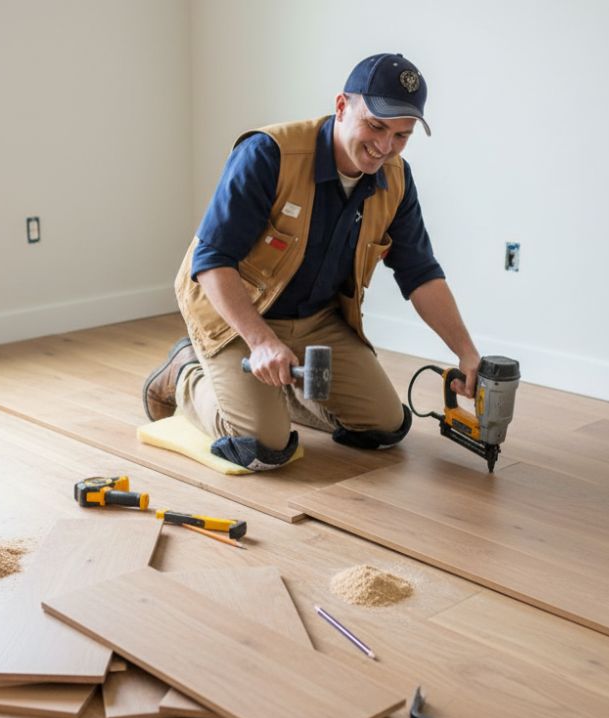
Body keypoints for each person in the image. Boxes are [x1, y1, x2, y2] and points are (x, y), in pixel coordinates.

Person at [143, 52, 481, 471]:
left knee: (385, 428)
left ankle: (271, 390)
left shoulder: (396, 180)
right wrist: (262, 341)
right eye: (375, 125)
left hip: (316, 320)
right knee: (264, 449)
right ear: (341, 106)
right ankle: (186, 376)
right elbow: (212, 261)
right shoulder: (268, 154)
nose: (384, 146)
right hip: (238, 314)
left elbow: (420, 273)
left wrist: (466, 352)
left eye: (401, 135)